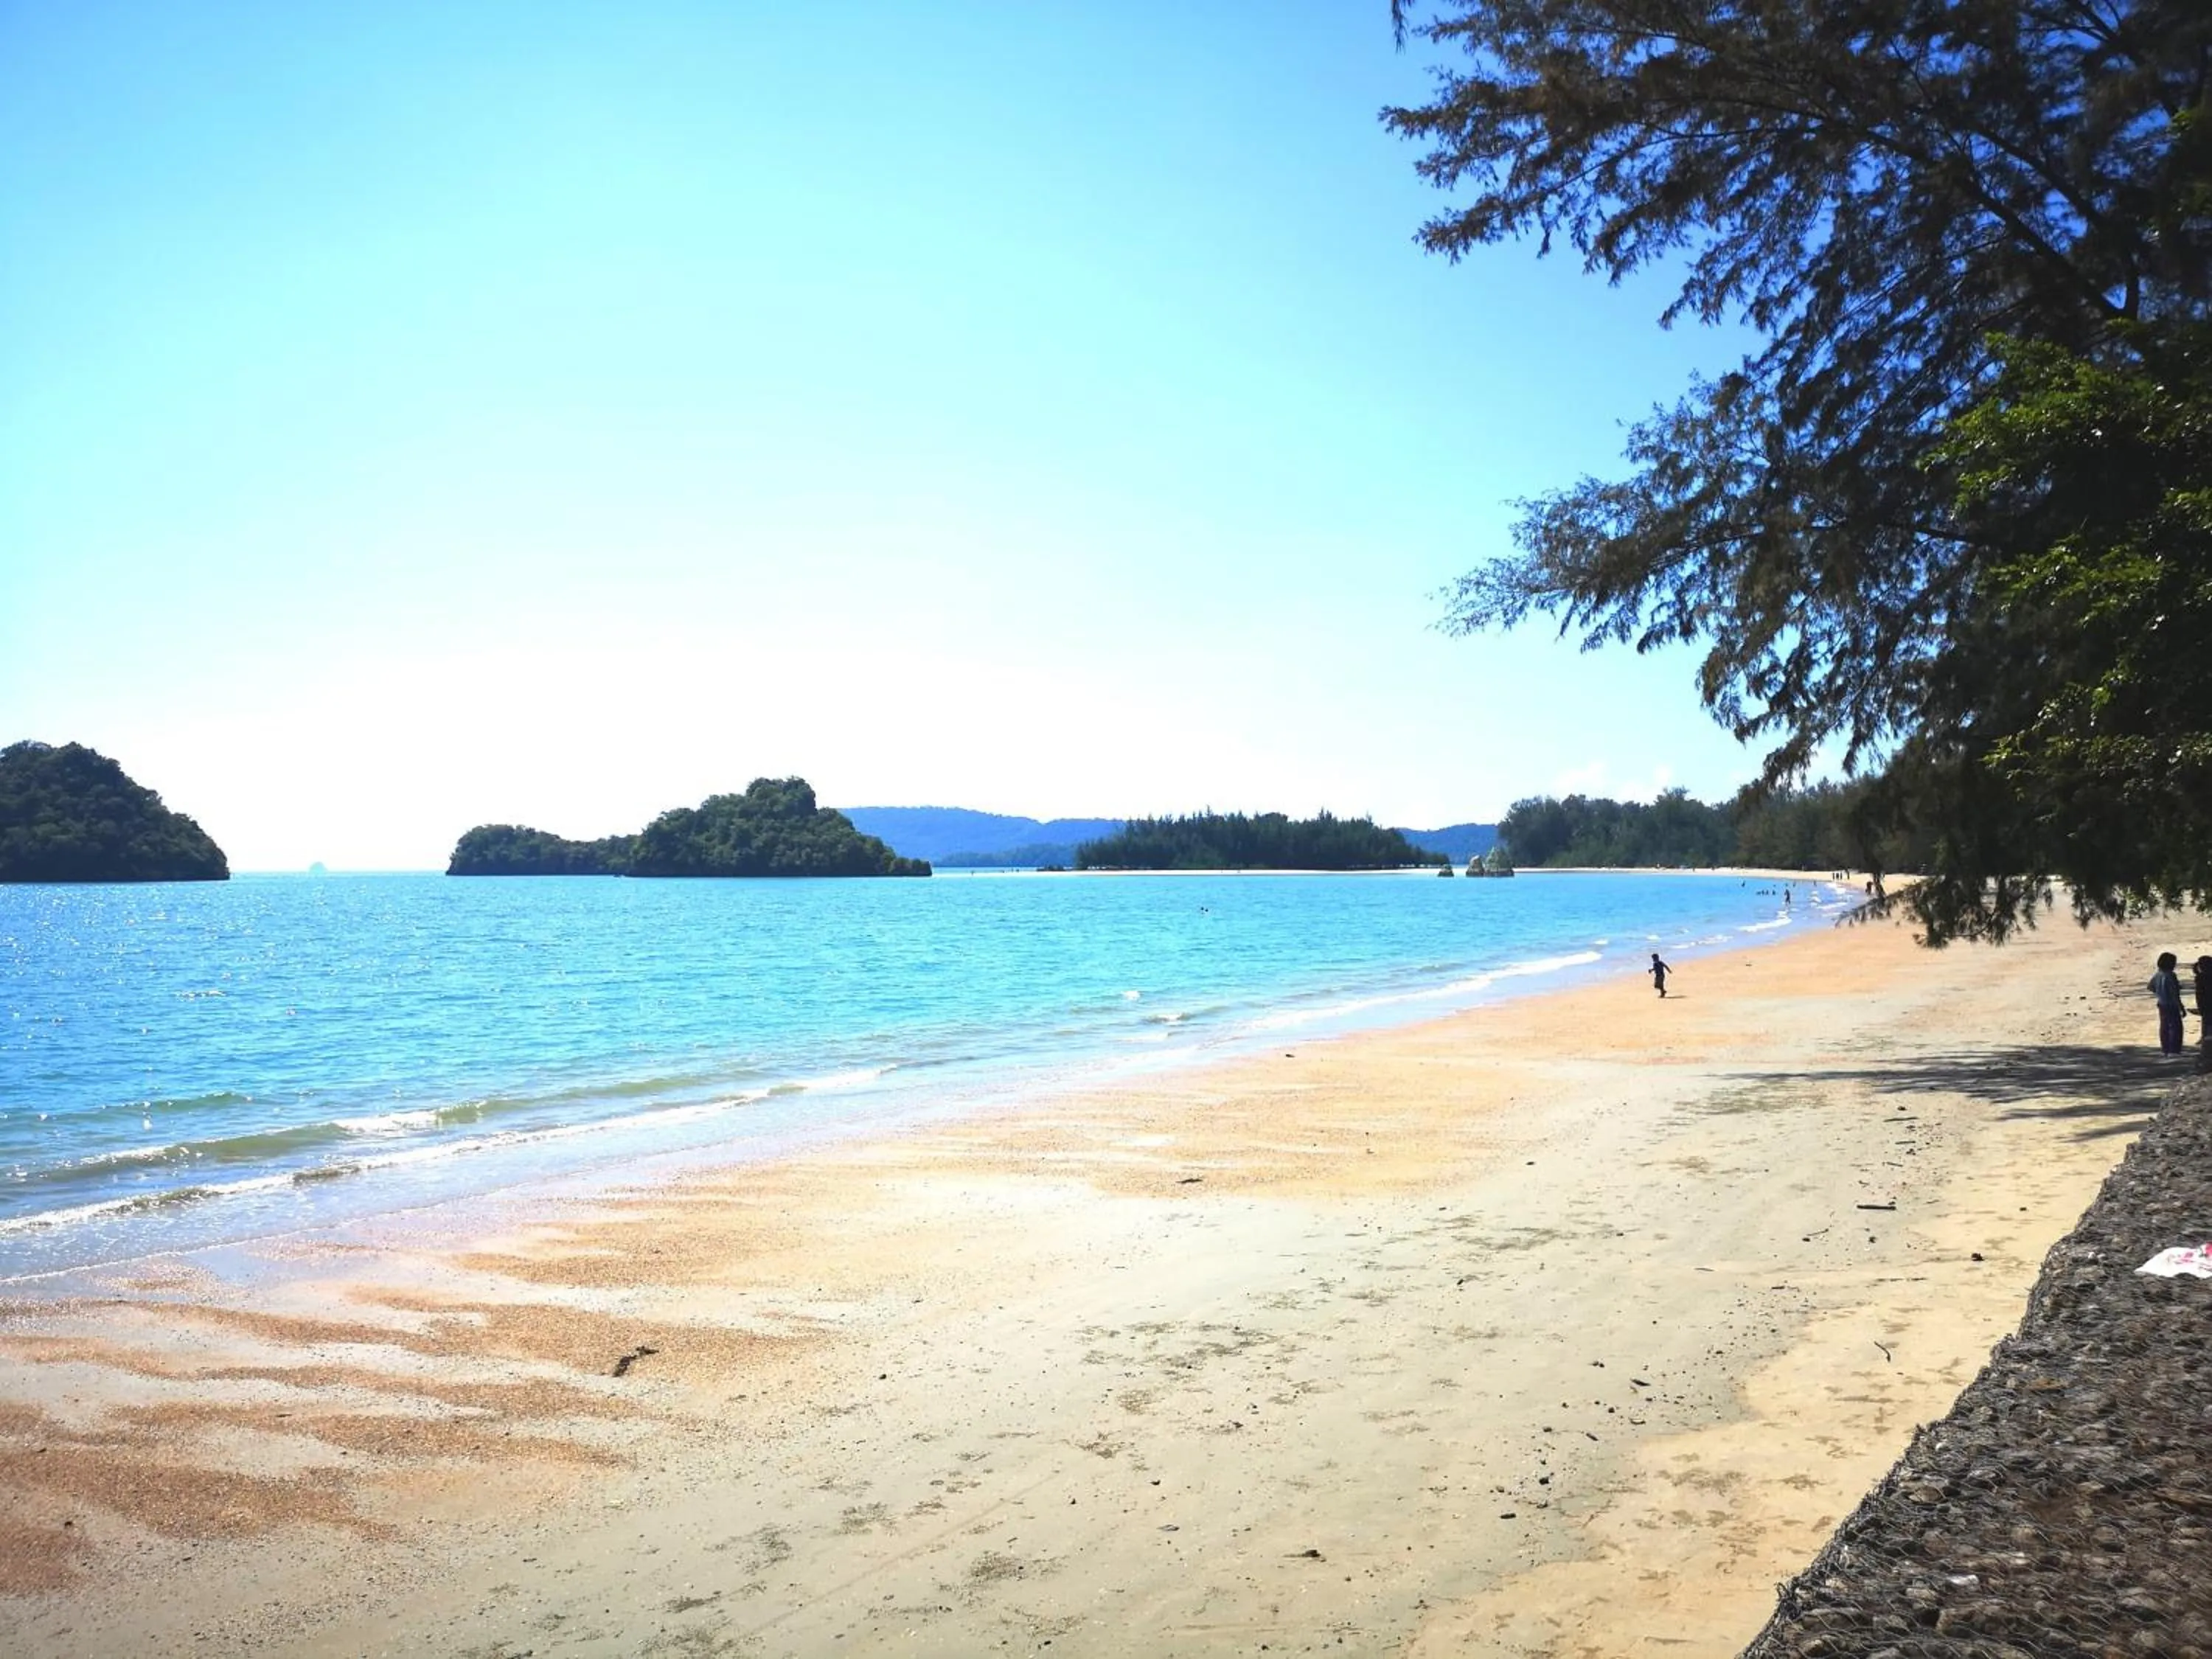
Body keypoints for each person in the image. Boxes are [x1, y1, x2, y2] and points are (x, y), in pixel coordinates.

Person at [2149, 952, 2185, 1055]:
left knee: (2164, 1026)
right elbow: (2175, 993)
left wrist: (2160, 992)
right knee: (2176, 1027)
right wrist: (2181, 1007)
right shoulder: (2171, 975)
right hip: (2172, 1004)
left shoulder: (2158, 974)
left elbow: (2150, 987)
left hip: (2162, 1003)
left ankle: (2165, 1048)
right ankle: (2174, 1049)